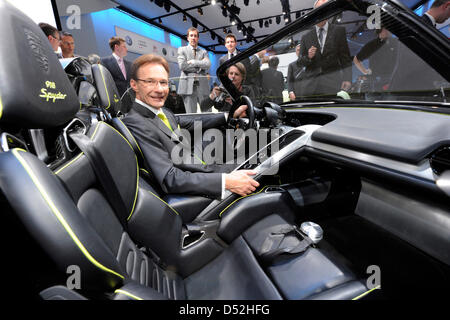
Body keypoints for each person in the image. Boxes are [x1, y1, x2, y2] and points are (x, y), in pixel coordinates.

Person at [122, 54, 259, 198]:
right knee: (260, 166)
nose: (160, 89)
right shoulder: (136, 122)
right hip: (196, 177)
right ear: (134, 84)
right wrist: (226, 181)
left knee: (253, 158)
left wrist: (228, 116)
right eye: (150, 82)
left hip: (195, 163)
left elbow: (190, 122)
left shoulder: (161, 112)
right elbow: (170, 179)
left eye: (163, 82)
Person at [297, 0, 352, 96]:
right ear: (315, 12)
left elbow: (345, 58)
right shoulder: (306, 37)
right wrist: (309, 56)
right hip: (310, 86)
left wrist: (347, 78)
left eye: (326, 9)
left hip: (332, 83)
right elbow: (300, 62)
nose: (323, 13)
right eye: (320, 10)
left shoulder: (339, 31)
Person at [177, 27, 211, 113]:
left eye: (195, 36)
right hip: (188, 87)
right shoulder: (182, 50)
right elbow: (182, 66)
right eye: (191, 35)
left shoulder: (203, 52)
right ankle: (197, 127)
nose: (193, 38)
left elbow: (208, 65)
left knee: (207, 112)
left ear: (198, 38)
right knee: (192, 116)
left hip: (202, 86)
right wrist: (200, 66)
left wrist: (194, 62)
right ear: (188, 38)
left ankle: (209, 127)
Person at [353, 27, 398, 91]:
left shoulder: (396, 42)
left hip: (392, 80)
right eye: (386, 29)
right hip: (375, 83)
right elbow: (356, 59)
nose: (389, 31)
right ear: (380, 30)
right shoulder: (372, 45)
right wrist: (365, 72)